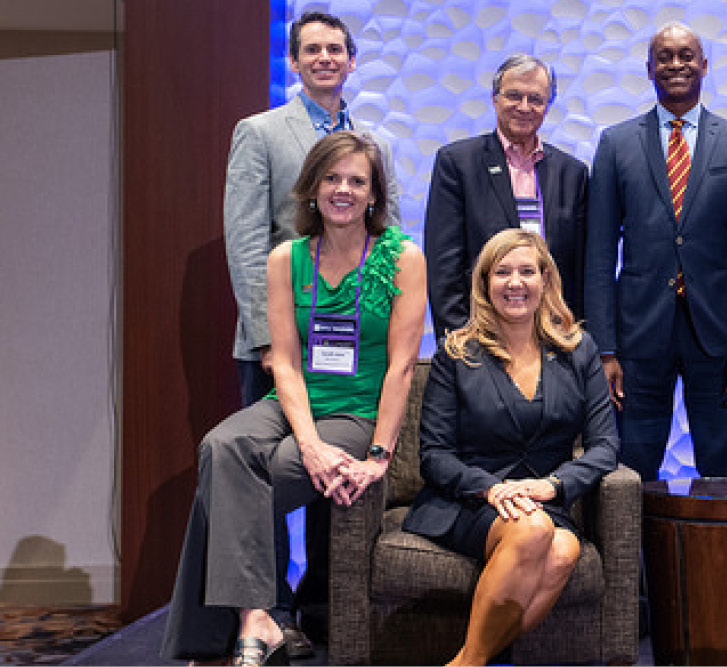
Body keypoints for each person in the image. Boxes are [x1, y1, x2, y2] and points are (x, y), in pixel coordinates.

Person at [163, 131, 426, 666]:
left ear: (375, 193)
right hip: (295, 406)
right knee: (221, 446)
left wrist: (379, 454)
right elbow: (283, 360)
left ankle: (219, 637)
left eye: (357, 180)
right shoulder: (286, 258)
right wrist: (308, 443)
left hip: (356, 412)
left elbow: (402, 366)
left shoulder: (404, 257)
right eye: (332, 178)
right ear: (312, 187)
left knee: (228, 480)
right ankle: (258, 616)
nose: (343, 190)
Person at [221, 11, 400, 649]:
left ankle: (324, 606)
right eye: (311, 49)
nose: (324, 58)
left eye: (335, 49)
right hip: (283, 343)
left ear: (352, 61)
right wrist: (269, 342)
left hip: (355, 350)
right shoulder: (261, 131)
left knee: (337, 474)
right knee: (268, 473)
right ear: (293, 62)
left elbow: (391, 235)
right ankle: (267, 611)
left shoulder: (372, 140)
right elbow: (245, 243)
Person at [402, 228, 620, 666]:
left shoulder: (578, 350)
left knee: (563, 549)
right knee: (536, 531)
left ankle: (467, 661)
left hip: (545, 499)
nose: (515, 283)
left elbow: (605, 445)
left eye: (526, 272)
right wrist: (490, 489)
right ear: (485, 284)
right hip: (469, 500)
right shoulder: (456, 354)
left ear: (545, 281)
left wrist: (553, 485)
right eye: (502, 272)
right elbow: (435, 455)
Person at [584, 21, 727, 481]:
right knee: (627, 471)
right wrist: (604, 349)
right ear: (649, 69)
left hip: (720, 338)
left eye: (686, 55)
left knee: (725, 469)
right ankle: (629, 557)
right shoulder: (615, 143)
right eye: (664, 57)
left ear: (704, 65)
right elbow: (600, 255)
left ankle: (722, 555)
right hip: (636, 336)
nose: (676, 64)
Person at [426, 54, 590, 338]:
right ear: (495, 99)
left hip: (554, 335)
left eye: (536, 99)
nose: (524, 107)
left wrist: (573, 336)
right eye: (514, 96)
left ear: (547, 106)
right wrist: (462, 339)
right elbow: (444, 265)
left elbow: (580, 268)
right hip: (480, 335)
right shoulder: (458, 163)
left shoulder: (572, 173)